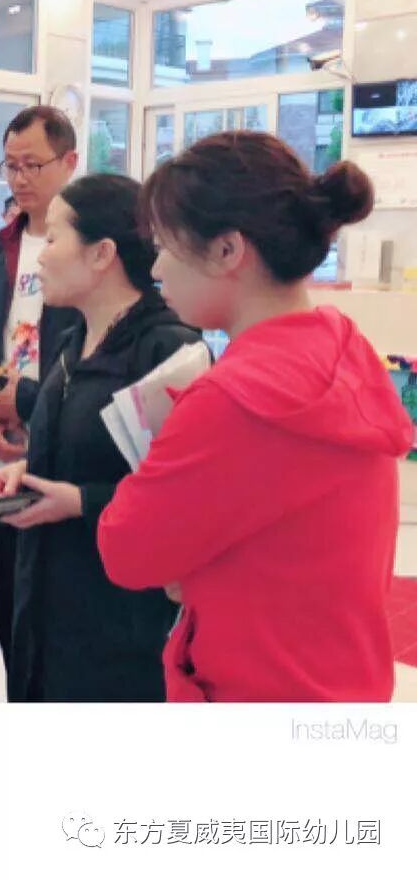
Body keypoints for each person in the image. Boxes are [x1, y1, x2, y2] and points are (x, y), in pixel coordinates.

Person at [97, 131, 413, 702]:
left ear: (227, 251)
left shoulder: (233, 400)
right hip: (343, 683)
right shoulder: (343, 346)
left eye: (166, 246)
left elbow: (125, 550)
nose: (157, 267)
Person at [0, 174, 202, 701]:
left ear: (102, 253)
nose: (40, 256)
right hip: (46, 600)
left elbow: (187, 502)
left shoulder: (168, 352)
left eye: (54, 238)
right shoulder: (73, 339)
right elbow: (82, 448)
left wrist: (80, 501)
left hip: (116, 622)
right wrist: (29, 470)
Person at [0, 105, 81, 678]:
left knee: (55, 622)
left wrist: (30, 405)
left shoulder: (90, 251)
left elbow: (94, 356)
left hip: (62, 456)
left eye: (33, 164)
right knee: (5, 604)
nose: (19, 178)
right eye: (10, 165)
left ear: (69, 162)